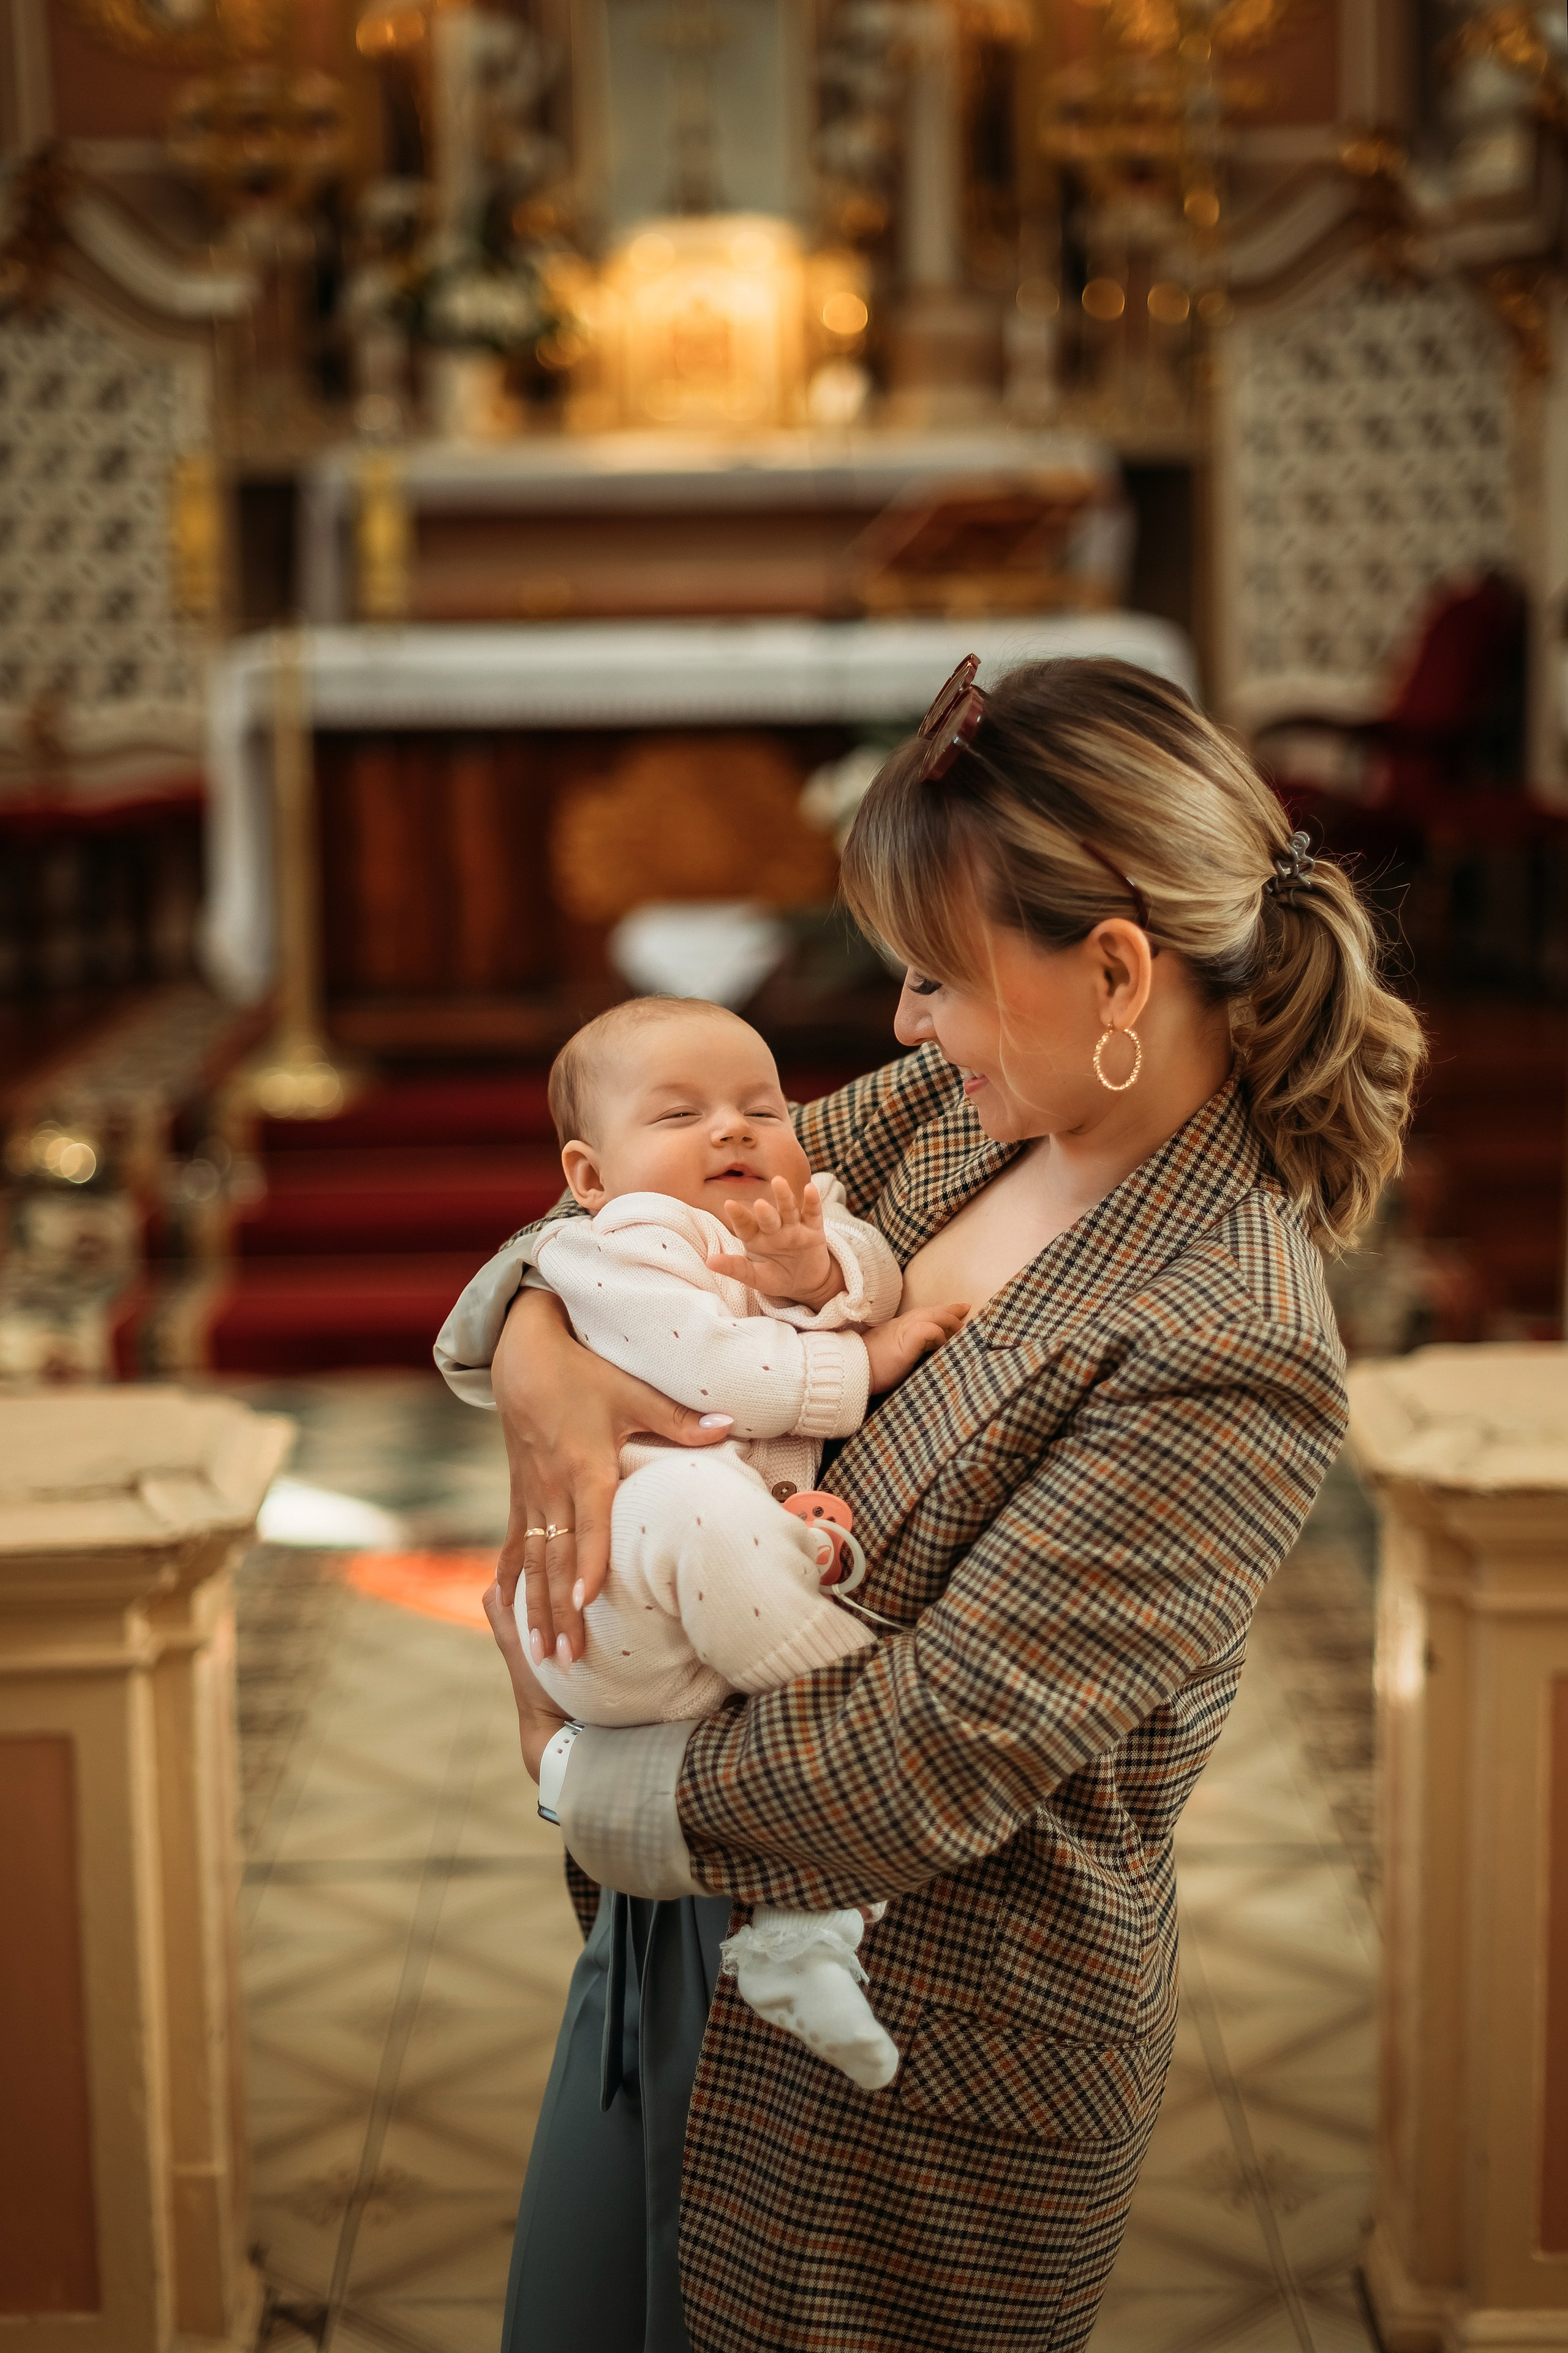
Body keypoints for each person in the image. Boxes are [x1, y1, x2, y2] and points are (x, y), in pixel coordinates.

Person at [435, 655, 1424, 2353]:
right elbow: (656, 1193)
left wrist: (570, 1773)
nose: (900, 1026)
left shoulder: (1232, 1334)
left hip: (906, 2079)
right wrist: (541, 1340)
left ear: (1116, 969)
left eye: (937, 979)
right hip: (689, 1936)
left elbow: (933, 1748)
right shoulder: (968, 1119)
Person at [519, 992, 968, 2090]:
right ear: (589, 1177)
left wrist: (817, 1270)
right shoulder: (615, 1246)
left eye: (759, 1106)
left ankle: (804, 1933)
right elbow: (720, 1375)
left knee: (727, 1521)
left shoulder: (790, 1204)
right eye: (680, 1115)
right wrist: (866, 1360)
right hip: (617, 1603)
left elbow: (875, 1271)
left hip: (705, 1626)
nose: (731, 1129)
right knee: (697, 1505)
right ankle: (858, 1695)